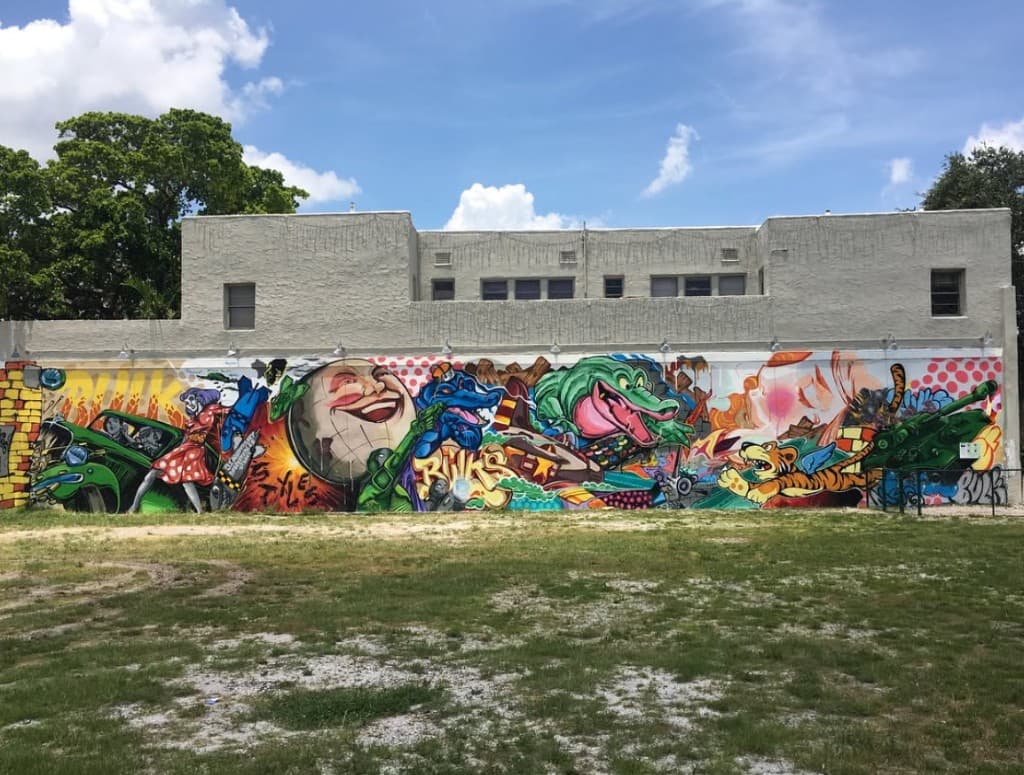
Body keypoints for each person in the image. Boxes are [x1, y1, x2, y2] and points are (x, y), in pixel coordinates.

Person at [127, 388, 225, 514]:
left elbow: (226, 411)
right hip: (183, 451)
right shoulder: (193, 420)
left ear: (200, 398)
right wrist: (177, 451)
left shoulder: (210, 411)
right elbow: (185, 439)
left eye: (191, 399)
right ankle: (134, 507)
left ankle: (200, 511)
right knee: (157, 474)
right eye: (187, 402)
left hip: (194, 452)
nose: (189, 404)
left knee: (185, 481)